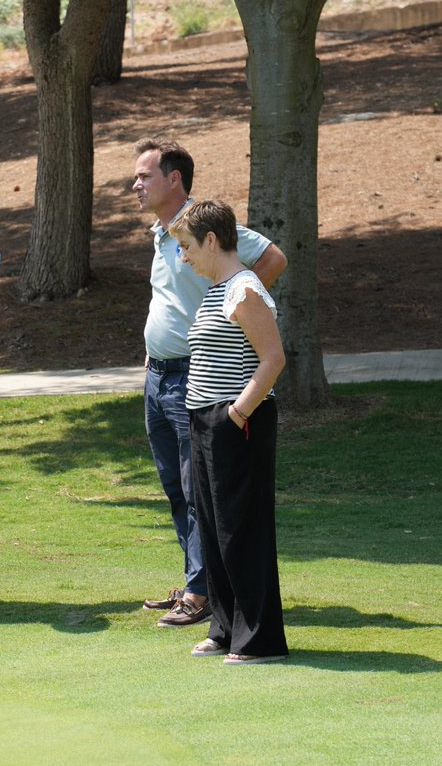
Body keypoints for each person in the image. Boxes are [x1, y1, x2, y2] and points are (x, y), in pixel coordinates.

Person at [131, 138, 286, 629]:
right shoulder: (165, 235)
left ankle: (201, 594)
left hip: (193, 378)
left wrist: (227, 312)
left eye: (145, 176)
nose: (136, 185)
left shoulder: (204, 227)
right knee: (177, 489)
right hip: (159, 376)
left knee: (198, 490)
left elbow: (273, 259)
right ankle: (197, 581)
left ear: (174, 178)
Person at [170, 199, 288, 665]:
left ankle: (260, 640)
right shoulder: (217, 290)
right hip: (206, 421)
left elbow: (273, 359)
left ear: (212, 240)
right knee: (216, 530)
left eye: (187, 247)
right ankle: (224, 629)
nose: (184, 257)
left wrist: (236, 414)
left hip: (236, 422)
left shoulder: (244, 289)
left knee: (241, 529)